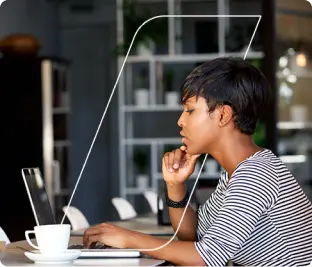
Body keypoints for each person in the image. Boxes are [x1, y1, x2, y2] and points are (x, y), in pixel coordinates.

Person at [83, 57, 312, 267]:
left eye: (190, 110)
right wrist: (175, 186)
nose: (180, 121)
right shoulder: (237, 173)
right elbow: (192, 235)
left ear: (223, 115)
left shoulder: (256, 174)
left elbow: (206, 258)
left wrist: (129, 238)